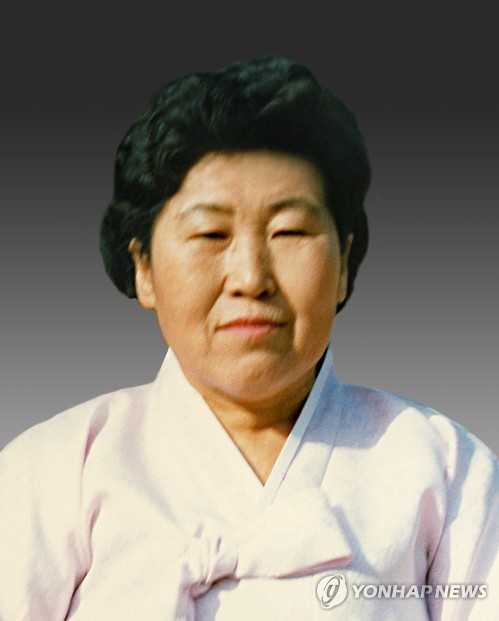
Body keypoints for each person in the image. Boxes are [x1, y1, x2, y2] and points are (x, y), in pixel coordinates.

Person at [0, 56, 497, 621]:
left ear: (343, 264)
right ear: (143, 268)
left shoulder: (443, 467)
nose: (251, 277)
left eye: (289, 231)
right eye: (210, 233)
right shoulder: (55, 469)